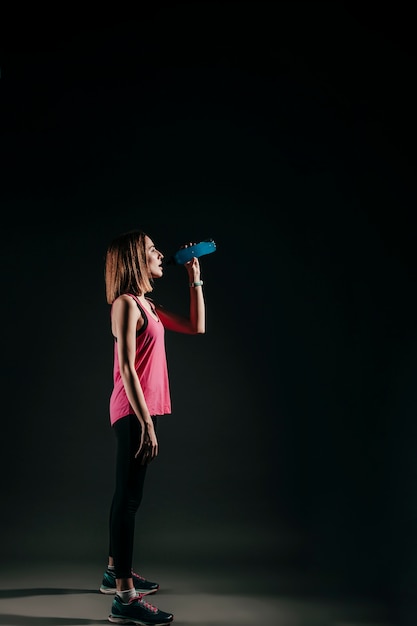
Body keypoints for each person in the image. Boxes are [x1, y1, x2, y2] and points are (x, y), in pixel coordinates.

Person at [99, 229, 206, 625]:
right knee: (128, 500)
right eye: (151, 250)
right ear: (134, 260)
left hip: (143, 410)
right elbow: (127, 366)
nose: (161, 254)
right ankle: (125, 599)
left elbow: (197, 326)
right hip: (133, 410)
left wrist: (194, 278)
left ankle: (114, 572)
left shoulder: (149, 306)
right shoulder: (126, 305)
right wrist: (146, 423)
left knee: (125, 494)